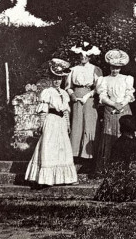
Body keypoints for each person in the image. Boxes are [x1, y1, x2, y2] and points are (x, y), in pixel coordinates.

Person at [24, 59, 78, 187]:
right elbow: (43, 110)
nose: (57, 81)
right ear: (51, 79)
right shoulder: (47, 92)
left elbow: (65, 111)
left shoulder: (64, 94)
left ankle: (65, 177)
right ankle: (45, 179)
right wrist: (42, 125)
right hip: (51, 121)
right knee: (49, 147)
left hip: (60, 123)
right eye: (54, 78)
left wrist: (67, 124)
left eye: (59, 79)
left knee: (62, 148)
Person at [96, 49, 135, 168]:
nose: (115, 70)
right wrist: (113, 104)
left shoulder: (126, 78)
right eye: (113, 67)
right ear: (109, 67)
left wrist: (121, 104)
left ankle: (125, 164)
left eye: (117, 68)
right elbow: (102, 96)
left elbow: (129, 94)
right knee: (109, 135)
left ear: (121, 68)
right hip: (110, 109)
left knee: (125, 133)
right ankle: (108, 165)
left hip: (124, 108)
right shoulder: (104, 79)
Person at [64, 41, 102, 162]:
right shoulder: (73, 70)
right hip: (76, 98)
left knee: (90, 123)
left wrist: (89, 95)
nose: (83, 58)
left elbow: (99, 87)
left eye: (85, 56)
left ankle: (88, 154)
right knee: (77, 122)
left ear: (90, 57)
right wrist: (72, 95)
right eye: (81, 56)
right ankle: (75, 152)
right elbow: (68, 86)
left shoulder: (95, 69)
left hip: (89, 97)